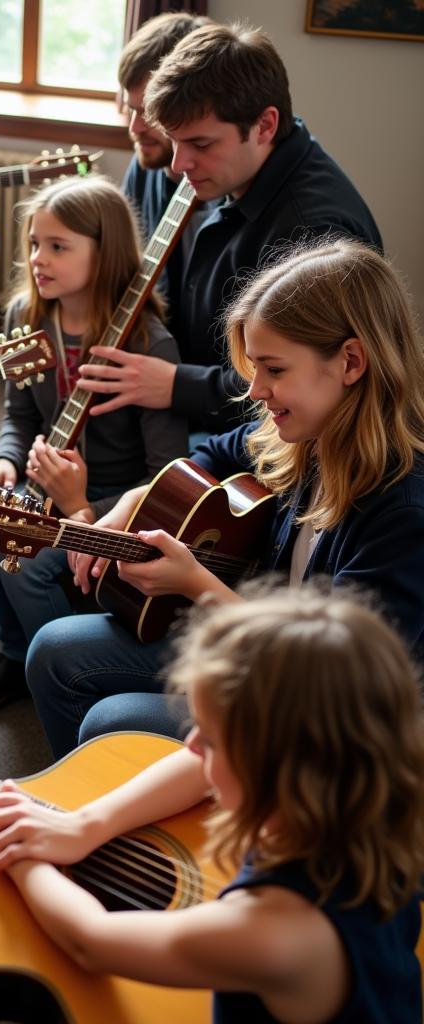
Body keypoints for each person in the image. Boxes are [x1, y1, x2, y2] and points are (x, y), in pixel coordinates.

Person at [25, 238, 424, 758]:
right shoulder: (307, 434)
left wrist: (196, 583)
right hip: (258, 641)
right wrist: (130, 502)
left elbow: (335, 680)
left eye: (275, 370)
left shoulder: (404, 512)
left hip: (321, 715)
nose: (256, 390)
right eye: (255, 367)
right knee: (53, 651)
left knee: (111, 721)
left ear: (351, 361)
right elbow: (214, 453)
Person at [0, 587, 424, 1023]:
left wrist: (23, 852)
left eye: (210, 740)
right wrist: (85, 824)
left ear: (273, 770)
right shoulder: (368, 798)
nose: (190, 745)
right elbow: (195, 770)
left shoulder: (275, 934)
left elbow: (91, 942)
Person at [0, 176, 188, 717]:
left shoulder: (149, 343)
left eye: (58, 246)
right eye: (35, 243)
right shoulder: (24, 320)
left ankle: (64, 675)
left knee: (28, 565)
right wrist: (5, 463)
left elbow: (164, 473)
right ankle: (17, 650)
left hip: (115, 499)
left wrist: (86, 502)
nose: (39, 258)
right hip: (46, 483)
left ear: (104, 255)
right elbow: (18, 414)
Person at [77, 22, 382, 435]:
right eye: (174, 141)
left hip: (269, 436)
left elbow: (301, 385)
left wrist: (176, 385)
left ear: (265, 126)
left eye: (201, 145)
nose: (178, 166)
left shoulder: (314, 232)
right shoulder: (231, 174)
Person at [117, 11, 214, 322]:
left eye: (149, 112)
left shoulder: (225, 185)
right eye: (132, 109)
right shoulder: (144, 165)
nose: (135, 127)